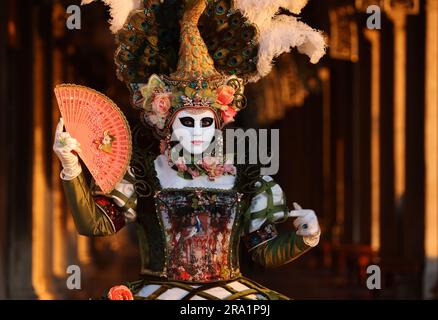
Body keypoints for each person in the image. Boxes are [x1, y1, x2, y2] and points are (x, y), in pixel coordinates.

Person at [53, 0, 326, 300]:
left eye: (206, 121)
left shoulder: (246, 179)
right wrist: (71, 166)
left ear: (219, 122)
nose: (197, 131)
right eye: (187, 121)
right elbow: (96, 223)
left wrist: (306, 236)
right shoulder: (143, 176)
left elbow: (263, 250)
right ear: (166, 122)